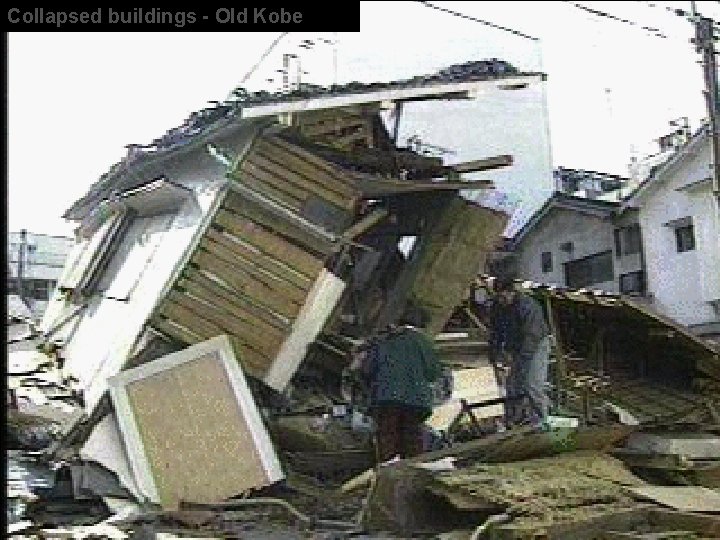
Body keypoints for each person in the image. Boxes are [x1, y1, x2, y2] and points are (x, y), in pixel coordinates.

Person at [351, 308, 442, 462]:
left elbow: (367, 370)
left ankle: (388, 472)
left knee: (388, 438)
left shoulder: (384, 341)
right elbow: (433, 374)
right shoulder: (426, 344)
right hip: (417, 401)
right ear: (422, 325)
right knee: (412, 440)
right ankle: (413, 471)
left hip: (387, 398)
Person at [490, 276, 552, 429]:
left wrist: (520, 362)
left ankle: (541, 422)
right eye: (498, 297)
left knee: (532, 385)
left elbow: (532, 336)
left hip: (537, 344)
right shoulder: (497, 307)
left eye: (504, 296)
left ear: (512, 292)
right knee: (512, 386)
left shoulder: (528, 306)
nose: (501, 300)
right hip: (517, 347)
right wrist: (494, 355)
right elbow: (495, 333)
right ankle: (513, 421)